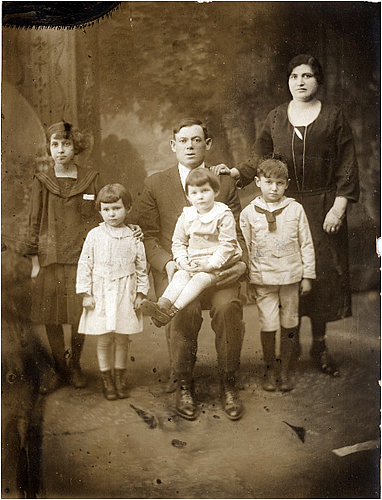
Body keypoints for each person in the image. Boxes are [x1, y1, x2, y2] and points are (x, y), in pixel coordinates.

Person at [212, 54, 359, 377]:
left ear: (318, 81)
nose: (301, 82)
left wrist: (339, 205)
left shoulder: (334, 117)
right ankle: (286, 351)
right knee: (283, 280)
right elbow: (259, 156)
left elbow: (347, 161)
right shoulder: (277, 117)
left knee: (315, 276)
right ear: (288, 81)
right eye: (295, 76)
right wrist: (236, 172)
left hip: (323, 207)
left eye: (307, 76)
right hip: (282, 207)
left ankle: (319, 345)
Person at [130, 118, 248, 421]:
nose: (190, 146)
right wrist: (167, 262)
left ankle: (228, 383)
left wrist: (239, 265)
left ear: (207, 144)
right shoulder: (156, 183)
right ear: (173, 146)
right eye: (183, 141)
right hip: (177, 270)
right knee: (184, 310)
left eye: (197, 140)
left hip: (218, 271)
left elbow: (235, 234)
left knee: (228, 307)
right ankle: (184, 383)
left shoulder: (225, 182)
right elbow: (146, 234)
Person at [26, 121, 103, 393]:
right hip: (50, 259)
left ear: (75, 147)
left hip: (81, 260)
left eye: (66, 144)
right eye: (55, 144)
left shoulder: (90, 178)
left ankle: (76, 366)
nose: (60, 150)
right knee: (53, 317)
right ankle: (60, 367)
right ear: (49, 148)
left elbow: (99, 218)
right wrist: (35, 262)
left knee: (77, 316)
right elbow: (34, 221)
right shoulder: (42, 181)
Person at [240, 157, 316, 391]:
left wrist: (307, 276)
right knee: (268, 322)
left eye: (280, 183)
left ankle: (285, 370)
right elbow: (245, 248)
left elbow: (306, 243)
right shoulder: (249, 213)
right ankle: (270, 369)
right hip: (263, 278)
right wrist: (249, 280)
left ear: (287, 184)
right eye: (269, 182)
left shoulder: (295, 209)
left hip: (291, 277)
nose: (274, 188)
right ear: (258, 182)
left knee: (290, 320)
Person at [140, 168, 242, 326]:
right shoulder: (187, 215)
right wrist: (182, 261)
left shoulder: (222, 214)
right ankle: (162, 306)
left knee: (200, 278)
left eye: (205, 191)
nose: (200, 196)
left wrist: (209, 265)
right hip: (194, 262)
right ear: (188, 196)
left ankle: (172, 310)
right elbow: (178, 242)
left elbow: (228, 245)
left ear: (215, 191)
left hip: (217, 265)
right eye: (194, 193)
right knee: (180, 276)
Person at [76, 184, 149, 400]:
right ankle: (106, 377)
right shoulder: (95, 235)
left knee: (122, 337)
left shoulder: (134, 236)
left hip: (125, 291)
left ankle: (120, 376)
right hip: (101, 291)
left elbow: (141, 267)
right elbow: (85, 264)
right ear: (99, 210)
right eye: (106, 209)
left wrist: (140, 294)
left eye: (116, 208)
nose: (112, 214)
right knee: (104, 337)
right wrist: (86, 293)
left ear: (127, 208)